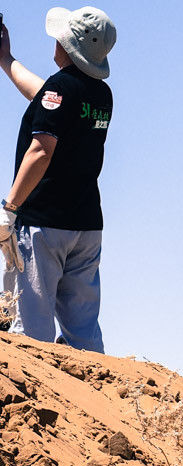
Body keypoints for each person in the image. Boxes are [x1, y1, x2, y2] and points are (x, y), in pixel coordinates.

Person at [0, 7, 116, 352]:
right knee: (84, 333)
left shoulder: (60, 87)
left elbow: (40, 151)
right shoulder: (100, 94)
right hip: (86, 227)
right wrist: (6, 59)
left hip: (43, 226)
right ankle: (98, 401)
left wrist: (10, 209)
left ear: (67, 45)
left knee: (30, 333)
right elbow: (44, 94)